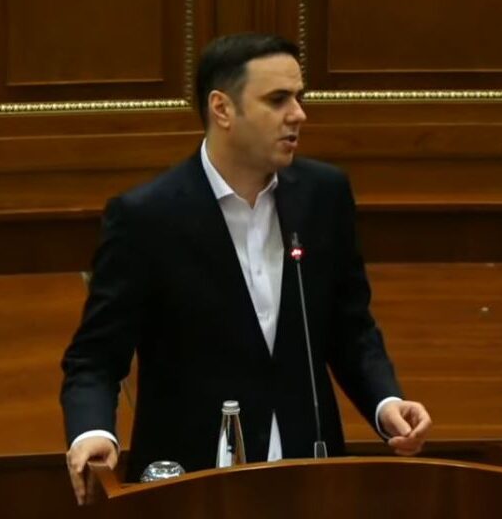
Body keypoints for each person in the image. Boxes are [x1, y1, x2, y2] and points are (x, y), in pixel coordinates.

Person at [61, 33, 431, 504]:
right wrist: (93, 431)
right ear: (222, 109)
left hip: (310, 475)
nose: (298, 114)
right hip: (191, 485)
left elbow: (350, 326)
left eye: (299, 97)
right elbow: (95, 357)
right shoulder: (147, 218)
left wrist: (386, 402)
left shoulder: (324, 195)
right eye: (277, 100)